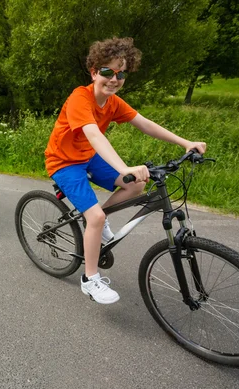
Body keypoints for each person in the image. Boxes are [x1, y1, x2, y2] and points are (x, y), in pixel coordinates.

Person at [44, 37, 206, 305]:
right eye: (107, 71)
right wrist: (124, 167)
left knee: (136, 186)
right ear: (94, 71)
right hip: (64, 161)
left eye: (121, 74)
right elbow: (94, 134)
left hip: (89, 157)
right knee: (94, 216)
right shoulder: (79, 98)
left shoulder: (114, 102)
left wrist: (185, 142)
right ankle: (90, 279)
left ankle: (99, 219)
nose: (114, 79)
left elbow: (145, 124)